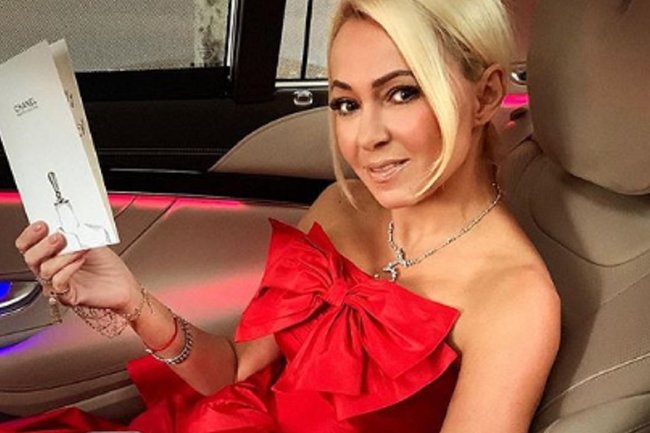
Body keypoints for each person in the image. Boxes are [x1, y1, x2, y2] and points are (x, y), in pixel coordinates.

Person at [7, 0, 560, 432]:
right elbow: (234, 372)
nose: (365, 137)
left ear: (486, 95)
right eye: (347, 104)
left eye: (401, 93)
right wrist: (133, 301)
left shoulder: (515, 300)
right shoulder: (339, 208)